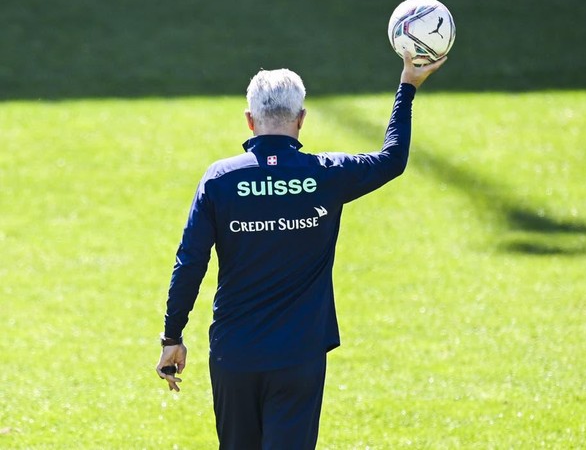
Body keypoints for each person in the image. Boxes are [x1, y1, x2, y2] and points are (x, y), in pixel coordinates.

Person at [155, 49, 446, 449]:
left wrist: (172, 336)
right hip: (299, 357)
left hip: (235, 355)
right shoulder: (326, 174)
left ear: (250, 120)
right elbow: (392, 159)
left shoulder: (220, 180)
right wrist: (407, 85)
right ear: (301, 118)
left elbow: (190, 262)